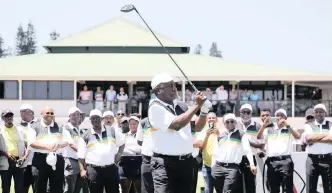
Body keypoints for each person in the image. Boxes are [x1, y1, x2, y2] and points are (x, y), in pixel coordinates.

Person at [148, 73, 210, 193]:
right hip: (164, 164)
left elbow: (197, 127)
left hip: (186, 163)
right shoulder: (154, 107)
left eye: (174, 85)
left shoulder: (182, 105)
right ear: (159, 90)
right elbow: (177, 125)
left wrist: (204, 111)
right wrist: (197, 105)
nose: (174, 88)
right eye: (170, 85)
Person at [77, 109, 125, 193]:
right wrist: (82, 170)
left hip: (111, 169)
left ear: (102, 119)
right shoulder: (85, 135)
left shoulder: (112, 130)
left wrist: (119, 154)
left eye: (97, 118)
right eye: (93, 118)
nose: (95, 120)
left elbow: (122, 143)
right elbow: (81, 156)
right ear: (90, 120)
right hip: (94, 170)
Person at [28, 106, 72, 193]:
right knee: (39, 187)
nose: (50, 115)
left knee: (57, 188)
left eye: (52, 113)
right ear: (41, 114)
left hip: (57, 159)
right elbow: (31, 143)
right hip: (40, 159)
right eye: (47, 113)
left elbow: (68, 141)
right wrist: (46, 147)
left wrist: (59, 145)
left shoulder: (60, 126)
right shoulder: (33, 126)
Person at [257, 108, 300, 193]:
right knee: (273, 189)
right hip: (272, 162)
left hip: (286, 161)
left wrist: (287, 125)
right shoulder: (268, 129)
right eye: (277, 115)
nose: (279, 117)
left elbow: (298, 136)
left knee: (287, 189)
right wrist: (264, 125)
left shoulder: (290, 128)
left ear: (286, 117)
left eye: (282, 115)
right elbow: (259, 137)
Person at [211, 113, 256, 193]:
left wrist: (252, 164)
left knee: (227, 191)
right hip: (218, 167)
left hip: (232, 168)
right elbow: (215, 152)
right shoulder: (220, 135)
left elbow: (247, 150)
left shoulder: (241, 135)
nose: (230, 123)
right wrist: (213, 166)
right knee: (219, 191)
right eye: (227, 122)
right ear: (224, 124)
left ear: (235, 122)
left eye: (232, 121)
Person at [302, 104, 332, 193]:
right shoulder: (309, 125)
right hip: (312, 160)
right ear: (314, 113)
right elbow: (309, 139)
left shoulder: (330, 124)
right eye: (317, 112)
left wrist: (315, 138)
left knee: (329, 189)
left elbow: (331, 139)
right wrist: (326, 135)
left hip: (328, 160)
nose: (319, 114)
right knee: (311, 189)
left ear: (325, 113)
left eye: (321, 112)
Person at [237, 103, 263, 193]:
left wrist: (250, 144)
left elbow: (262, 144)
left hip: (251, 159)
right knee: (238, 185)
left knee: (251, 186)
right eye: (243, 112)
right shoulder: (234, 124)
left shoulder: (257, 126)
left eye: (248, 112)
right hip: (237, 159)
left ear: (251, 113)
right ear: (240, 112)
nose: (245, 114)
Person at [63, 107, 89, 193]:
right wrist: (84, 153)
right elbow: (71, 144)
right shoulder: (66, 128)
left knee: (77, 189)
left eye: (78, 114)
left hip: (80, 162)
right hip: (71, 161)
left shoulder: (80, 130)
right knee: (69, 189)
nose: (76, 116)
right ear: (69, 117)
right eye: (74, 115)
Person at [0, 109, 26, 193]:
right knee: (6, 187)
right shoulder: (0, 130)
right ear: (2, 118)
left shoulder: (19, 130)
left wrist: (23, 157)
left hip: (18, 161)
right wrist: (6, 154)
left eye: (10, 116)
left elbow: (26, 145)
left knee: (19, 188)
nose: (9, 118)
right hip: (5, 161)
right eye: (7, 116)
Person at [17, 104, 39, 193]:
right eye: (20, 112)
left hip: (37, 162)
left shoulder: (39, 125)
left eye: (23, 111)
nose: (21, 113)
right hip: (24, 163)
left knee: (37, 188)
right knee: (23, 188)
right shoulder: (17, 126)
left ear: (31, 112)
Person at [195, 112, 219, 193]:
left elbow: (224, 148)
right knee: (208, 190)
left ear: (217, 120)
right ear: (206, 120)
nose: (211, 119)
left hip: (219, 166)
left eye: (213, 118)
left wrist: (218, 135)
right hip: (207, 165)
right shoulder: (202, 132)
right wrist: (206, 135)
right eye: (209, 118)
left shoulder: (221, 132)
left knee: (221, 189)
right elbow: (201, 146)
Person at [119, 116, 142, 193]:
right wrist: (134, 150)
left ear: (139, 125)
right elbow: (120, 149)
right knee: (124, 190)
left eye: (134, 124)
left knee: (139, 190)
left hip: (139, 163)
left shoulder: (143, 136)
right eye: (130, 124)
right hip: (125, 164)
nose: (132, 126)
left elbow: (141, 149)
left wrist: (128, 149)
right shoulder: (124, 135)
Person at [136, 117, 154, 193]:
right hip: (147, 159)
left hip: (162, 158)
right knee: (146, 187)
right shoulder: (143, 122)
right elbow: (139, 141)